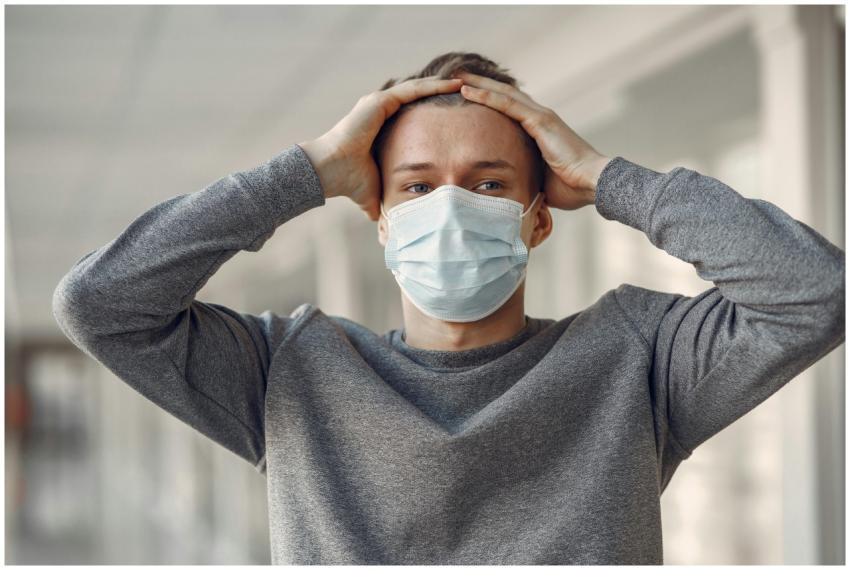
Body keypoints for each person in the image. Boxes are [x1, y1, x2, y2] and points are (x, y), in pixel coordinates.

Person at [52, 51, 845, 564]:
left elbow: (815, 292)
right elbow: (101, 304)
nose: (453, 207)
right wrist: (307, 171)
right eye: (419, 186)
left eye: (489, 183)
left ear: (538, 218)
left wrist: (611, 178)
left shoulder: (636, 357)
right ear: (381, 218)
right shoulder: (287, 370)